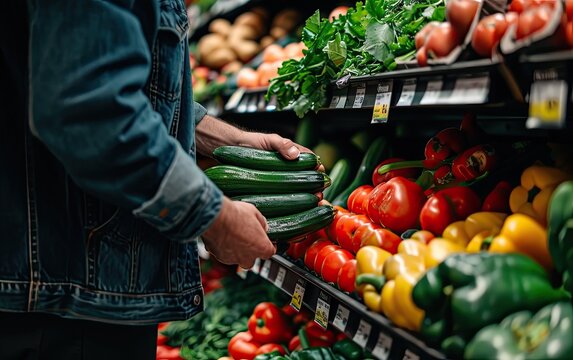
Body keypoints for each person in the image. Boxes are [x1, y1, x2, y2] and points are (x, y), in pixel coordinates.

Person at [0, 1, 314, 359]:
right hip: (67, 298)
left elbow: (130, 93)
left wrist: (232, 141)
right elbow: (90, 109)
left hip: (76, 281)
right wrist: (214, 218)